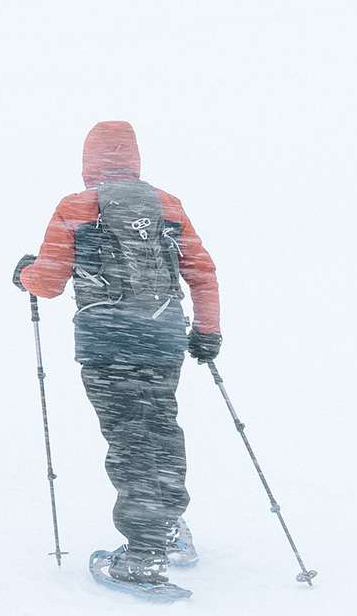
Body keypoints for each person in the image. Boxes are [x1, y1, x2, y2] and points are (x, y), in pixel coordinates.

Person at [13, 121, 221, 589]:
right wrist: (208, 331)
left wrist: (25, 273)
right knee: (161, 431)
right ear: (135, 158)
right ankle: (168, 528)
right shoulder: (169, 204)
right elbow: (202, 274)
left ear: (89, 161)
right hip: (165, 339)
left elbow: (47, 283)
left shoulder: (75, 206)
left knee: (129, 442)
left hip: (108, 343)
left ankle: (144, 555)